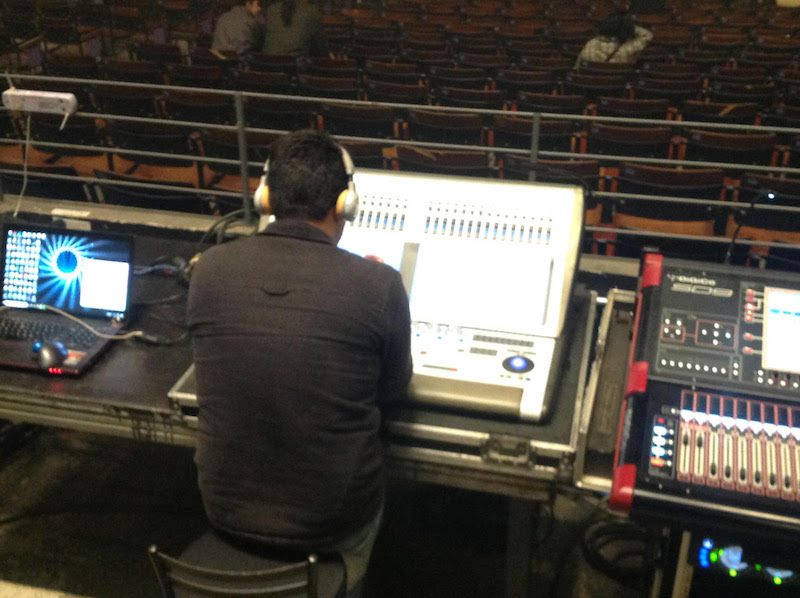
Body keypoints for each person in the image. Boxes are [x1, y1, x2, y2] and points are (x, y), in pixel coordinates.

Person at [186, 129, 412, 596]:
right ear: (345, 204)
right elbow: (392, 391)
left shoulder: (209, 270)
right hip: (332, 527)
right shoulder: (380, 285)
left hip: (223, 511)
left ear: (266, 198)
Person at [576, 12, 653, 65]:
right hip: (617, 84)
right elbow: (647, 35)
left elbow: (577, 68)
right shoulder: (628, 48)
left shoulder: (590, 44)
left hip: (588, 83)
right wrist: (628, 26)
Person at [263, 0, 328, 56]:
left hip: (266, 62)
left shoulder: (271, 9)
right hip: (295, 64)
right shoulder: (311, 11)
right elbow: (321, 47)